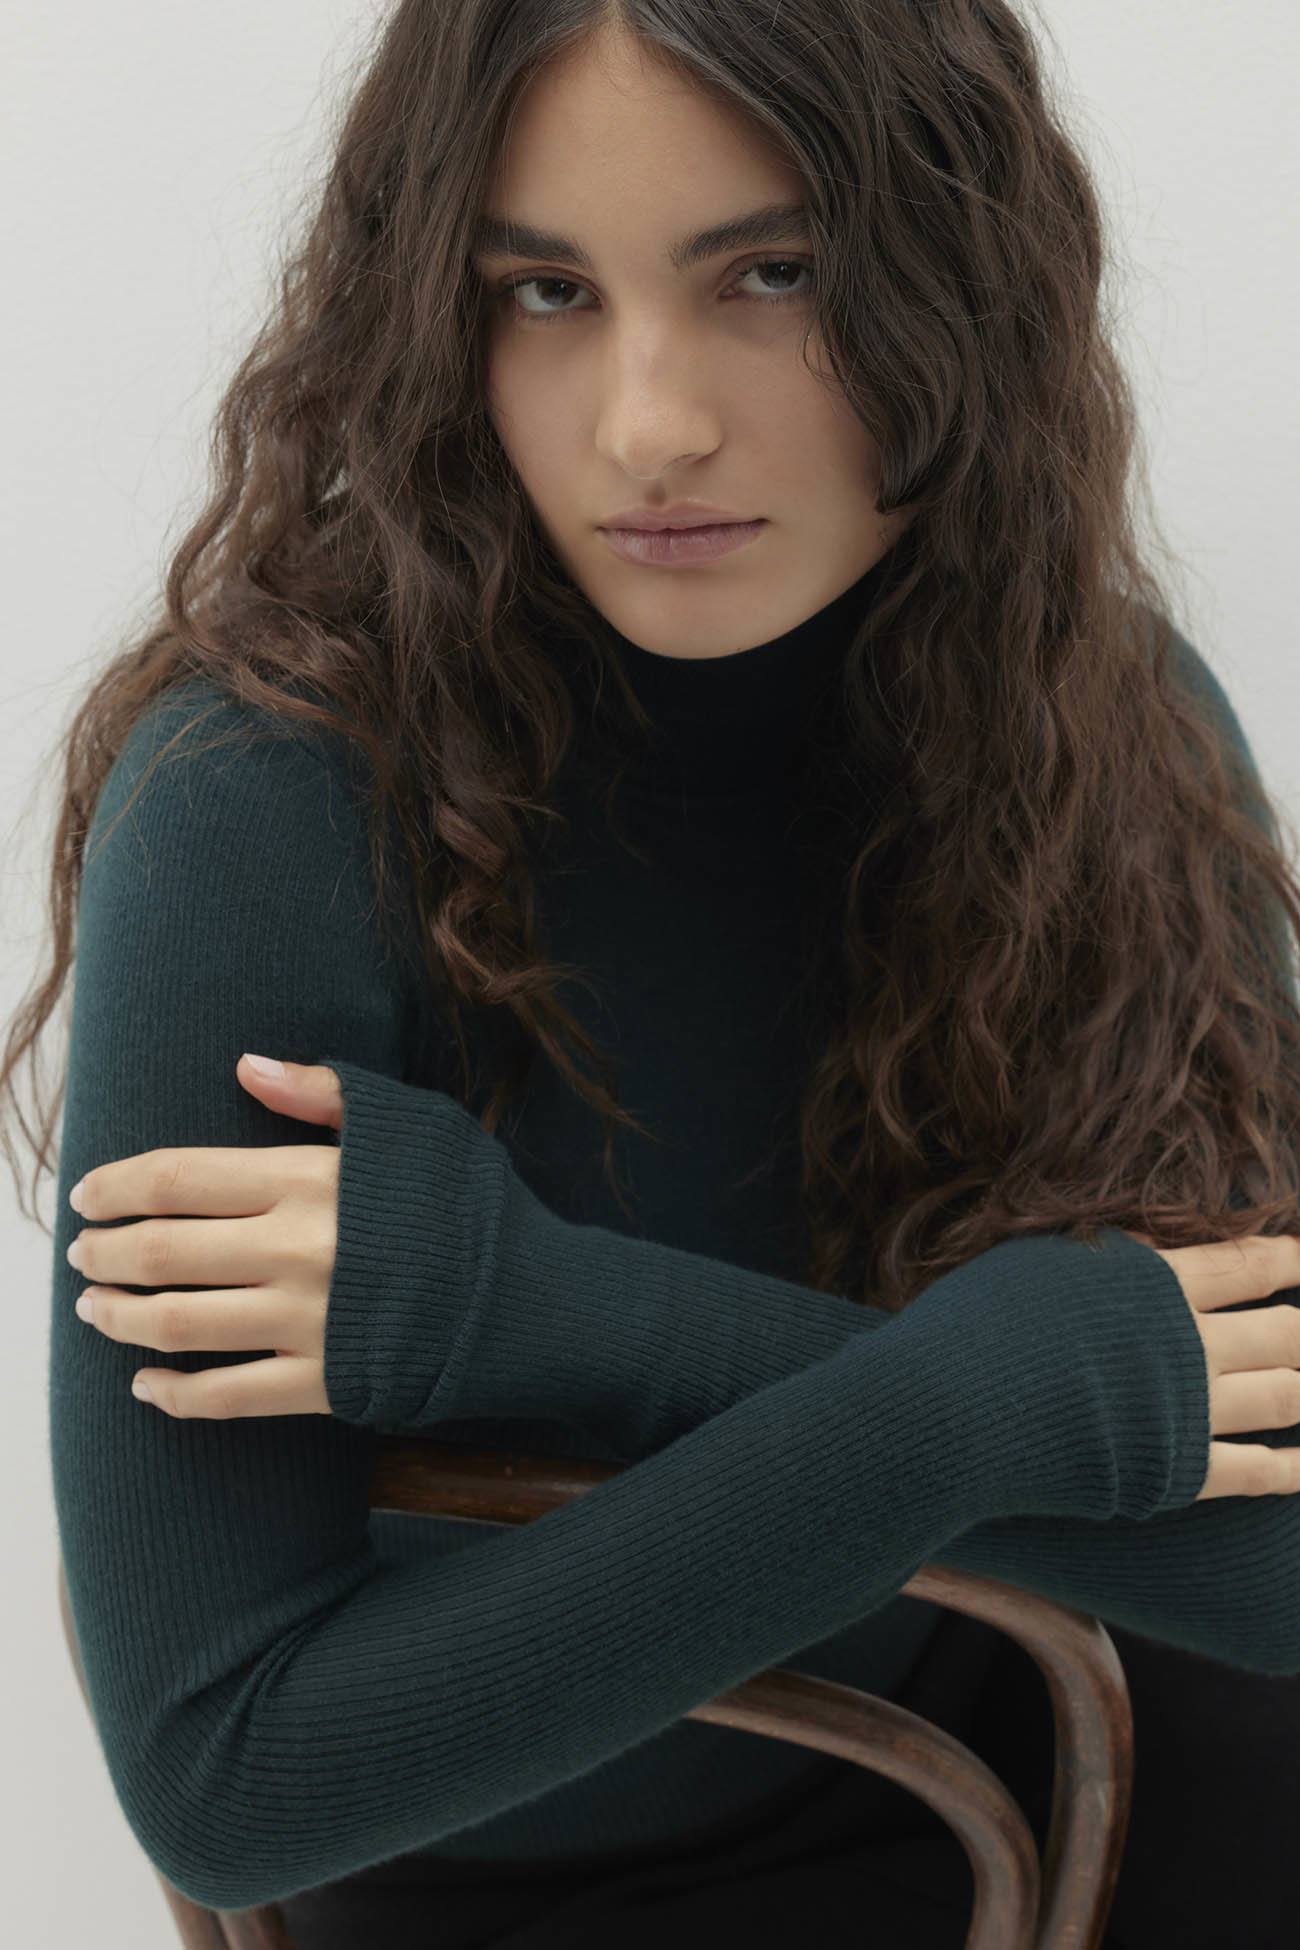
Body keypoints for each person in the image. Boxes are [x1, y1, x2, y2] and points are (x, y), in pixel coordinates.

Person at [33, 6, 1300, 1947]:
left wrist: (538, 1311)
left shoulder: (1098, 719)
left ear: (959, 280)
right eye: (544, 291)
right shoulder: (265, 801)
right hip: (502, 1882)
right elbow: (230, 1774)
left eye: (768, 274)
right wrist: (988, 1404)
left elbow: (1279, 1561)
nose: (648, 426)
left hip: (1047, 1775)